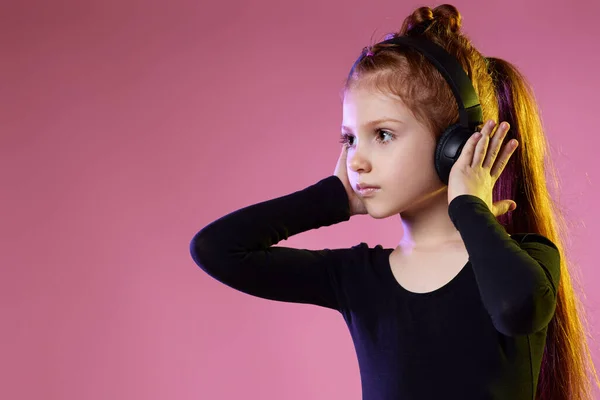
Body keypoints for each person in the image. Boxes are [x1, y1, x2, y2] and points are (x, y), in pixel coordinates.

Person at [190, 4, 599, 399]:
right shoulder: (357, 277)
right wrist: (329, 198)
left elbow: (516, 309)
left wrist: (469, 209)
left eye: (383, 135)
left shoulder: (528, 259)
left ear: (453, 147)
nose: (357, 160)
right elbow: (217, 249)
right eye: (349, 139)